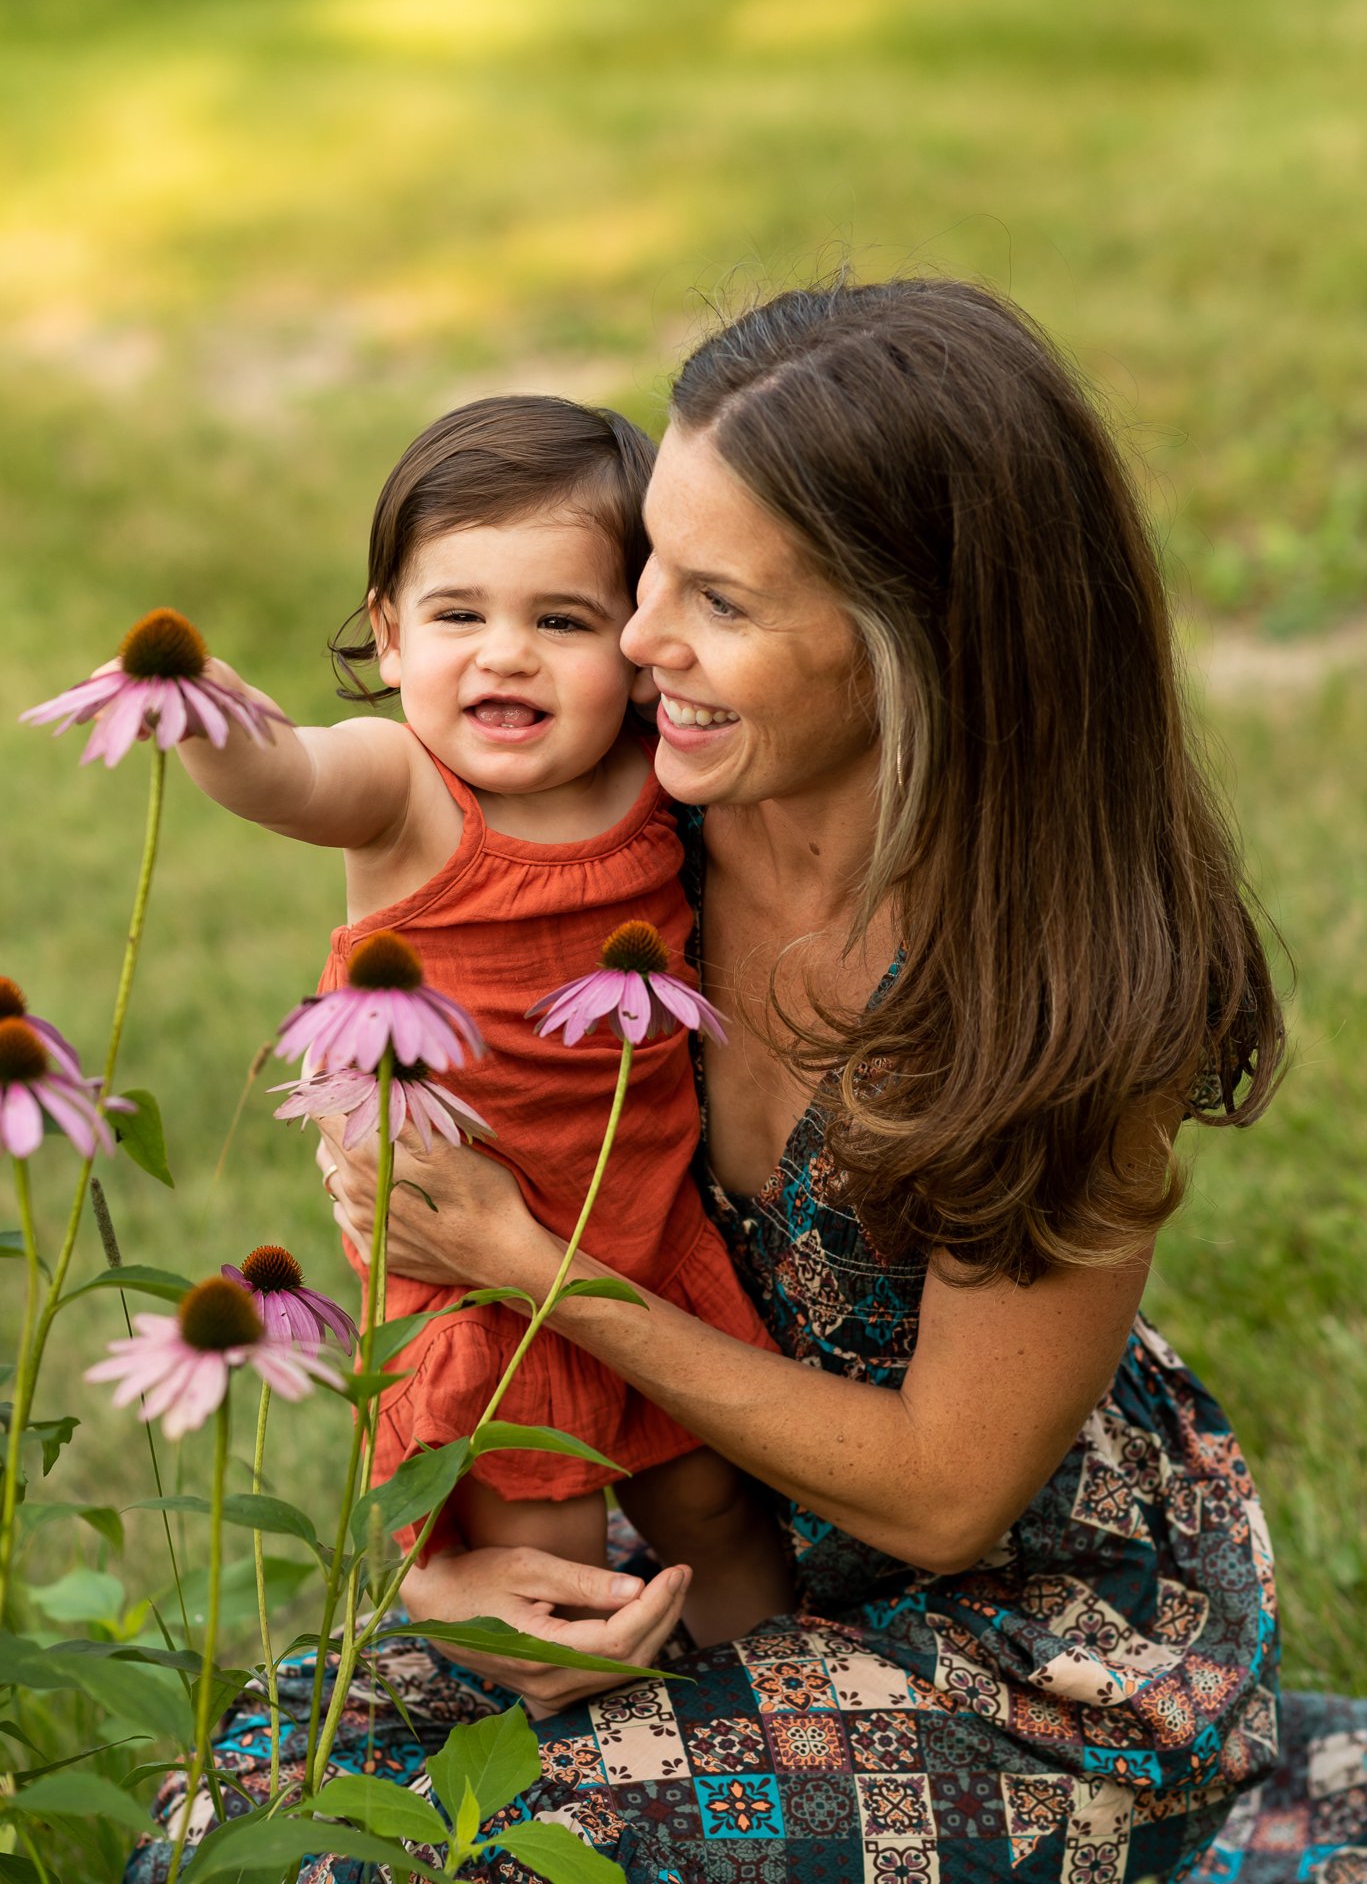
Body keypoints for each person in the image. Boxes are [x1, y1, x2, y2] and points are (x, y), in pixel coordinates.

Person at [130, 282, 1367, 1884]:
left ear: (913, 647)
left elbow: (940, 1496)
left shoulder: (1064, 982)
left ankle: (1245, 1809)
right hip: (697, 1514)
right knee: (239, 1823)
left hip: (1016, 1633)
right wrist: (443, 1554)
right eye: (649, 563)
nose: (635, 639)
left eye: (714, 599)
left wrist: (536, 1267)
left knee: (444, 1867)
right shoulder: (633, 837)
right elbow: (413, 1159)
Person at [171, 392, 792, 1647]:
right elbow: (287, 777)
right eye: (459, 614)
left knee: (713, 1500)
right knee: (538, 1550)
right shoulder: (401, 786)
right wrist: (206, 718)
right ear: (390, 636)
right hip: (471, 1268)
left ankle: (769, 1683)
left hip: (639, 1237)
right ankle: (566, 1739)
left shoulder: (653, 779)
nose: (504, 653)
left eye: (559, 619)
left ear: (634, 642)